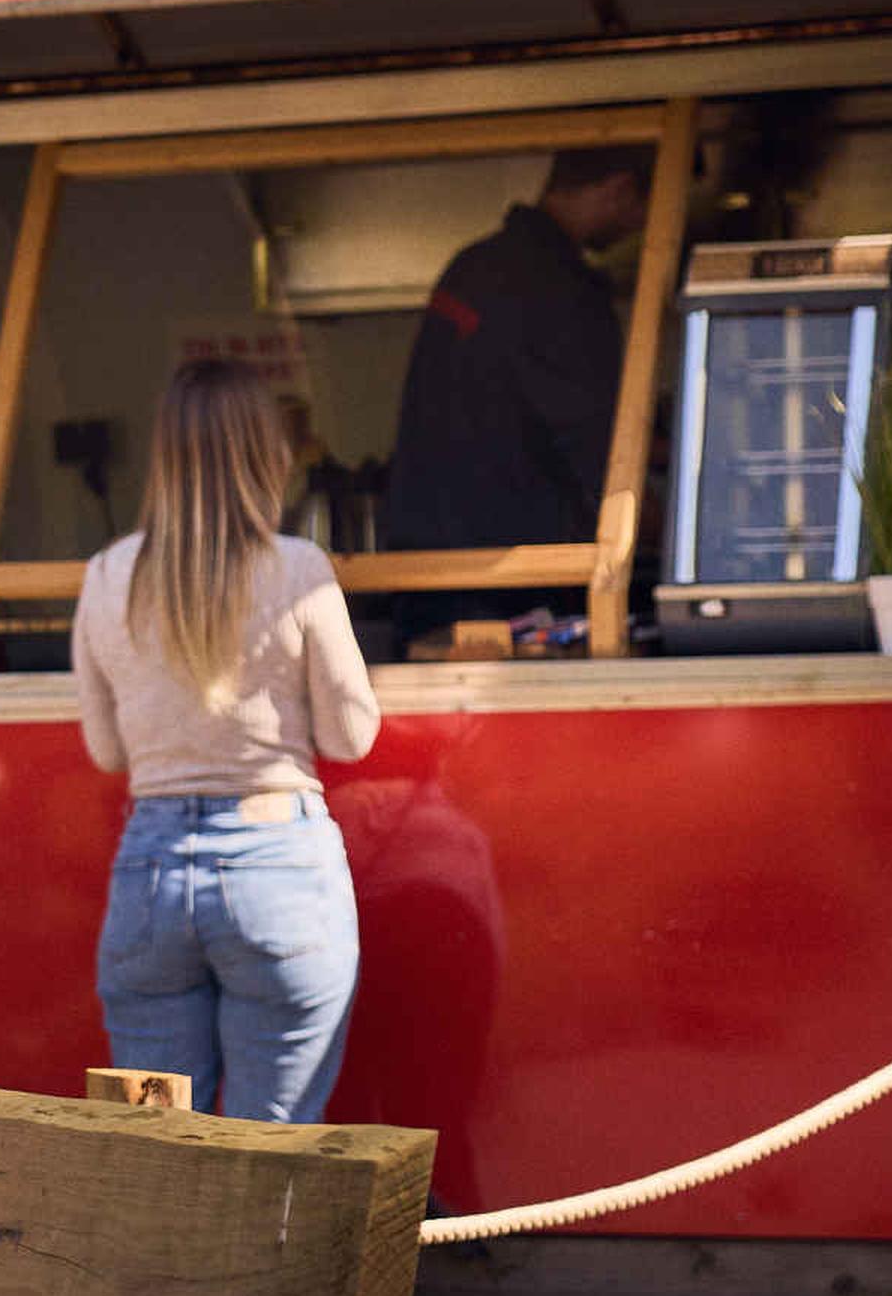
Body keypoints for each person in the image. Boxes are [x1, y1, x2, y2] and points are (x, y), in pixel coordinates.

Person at [76, 358, 383, 1124]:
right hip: (278, 867)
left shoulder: (106, 576)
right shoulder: (299, 570)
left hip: (149, 875)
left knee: (154, 1145)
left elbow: (107, 751)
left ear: (165, 458)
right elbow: (352, 735)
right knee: (271, 1154)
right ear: (267, 453)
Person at [382, 145, 654, 553]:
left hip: (428, 560)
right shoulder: (562, 287)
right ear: (620, 189)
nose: (639, 228)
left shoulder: (473, 265)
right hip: (517, 573)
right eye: (642, 214)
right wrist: (658, 524)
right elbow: (597, 444)